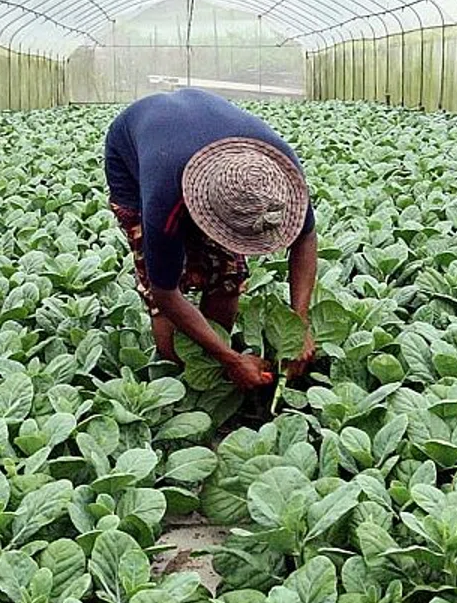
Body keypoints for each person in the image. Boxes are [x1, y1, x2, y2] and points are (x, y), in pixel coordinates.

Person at [104, 88, 318, 390]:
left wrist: (300, 325)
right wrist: (231, 360)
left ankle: (217, 359)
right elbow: (165, 293)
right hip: (134, 154)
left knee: (227, 274)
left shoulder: (280, 173)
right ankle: (204, 369)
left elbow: (306, 239)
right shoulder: (164, 199)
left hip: (200, 133)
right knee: (172, 341)